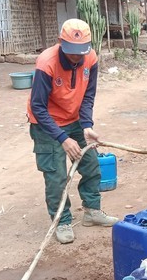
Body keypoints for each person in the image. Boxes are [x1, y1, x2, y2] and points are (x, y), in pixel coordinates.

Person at [27, 18, 118, 244]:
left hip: (75, 119)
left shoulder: (91, 58)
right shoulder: (46, 63)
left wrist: (86, 125)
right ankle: (63, 220)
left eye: (81, 52)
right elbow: (38, 106)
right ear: (60, 43)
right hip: (46, 125)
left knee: (91, 165)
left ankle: (92, 211)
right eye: (72, 52)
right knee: (56, 177)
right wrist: (62, 138)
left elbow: (89, 95)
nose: (76, 57)